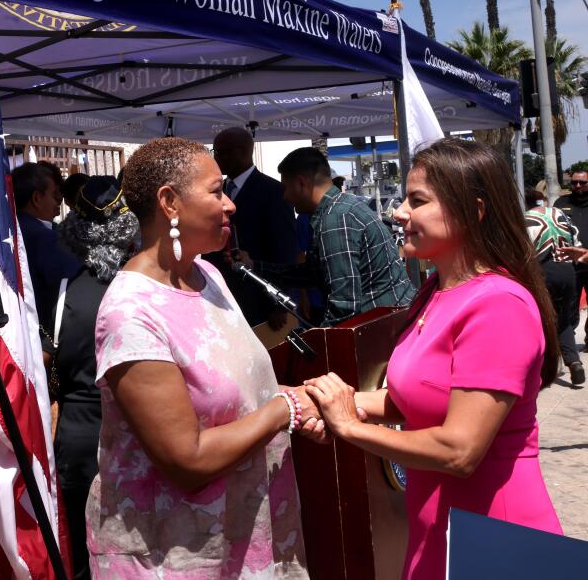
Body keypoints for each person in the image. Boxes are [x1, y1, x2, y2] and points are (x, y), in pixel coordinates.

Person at [305, 138, 562, 580]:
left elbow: (459, 449)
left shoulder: (498, 304)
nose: (399, 212)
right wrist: (325, 401)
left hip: (493, 536)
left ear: (473, 210)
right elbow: (416, 400)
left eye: (417, 200)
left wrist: (350, 426)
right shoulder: (435, 293)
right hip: (435, 526)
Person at [87, 137, 314, 577]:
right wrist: (283, 409)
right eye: (216, 192)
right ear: (169, 202)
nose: (230, 204)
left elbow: (241, 394)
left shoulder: (207, 274)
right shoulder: (131, 314)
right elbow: (187, 460)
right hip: (176, 556)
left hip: (248, 538)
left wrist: (301, 403)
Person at [52, 176, 139, 580]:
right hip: (137, 437)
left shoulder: (64, 293)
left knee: (87, 559)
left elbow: (57, 372)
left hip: (81, 439)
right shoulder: (147, 291)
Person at [236, 147, 414, 325]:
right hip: (387, 323)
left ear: (301, 183)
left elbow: (344, 306)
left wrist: (321, 343)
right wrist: (255, 266)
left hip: (383, 328)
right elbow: (311, 273)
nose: (285, 196)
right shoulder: (339, 209)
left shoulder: (336, 218)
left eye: (286, 187)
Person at [207, 126, 299, 327]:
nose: (216, 158)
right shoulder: (213, 191)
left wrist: (279, 304)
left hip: (258, 299)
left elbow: (284, 249)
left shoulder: (273, 192)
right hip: (219, 296)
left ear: (241, 152)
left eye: (220, 152)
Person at [524, 188, 584, 384]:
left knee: (541, 319)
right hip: (567, 270)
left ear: (526, 203)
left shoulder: (526, 220)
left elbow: (523, 252)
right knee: (564, 319)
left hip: (543, 273)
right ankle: (574, 362)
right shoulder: (560, 214)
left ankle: (545, 368)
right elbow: (576, 239)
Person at [14, 162, 82, 335]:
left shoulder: (10, 229)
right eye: (54, 196)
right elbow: (77, 279)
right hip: (40, 331)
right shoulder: (45, 238)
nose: (57, 204)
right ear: (37, 198)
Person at [554, 169, 588, 344]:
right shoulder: (561, 203)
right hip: (570, 265)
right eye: (574, 182)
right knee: (569, 305)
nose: (578, 185)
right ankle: (569, 344)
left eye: (582, 182)